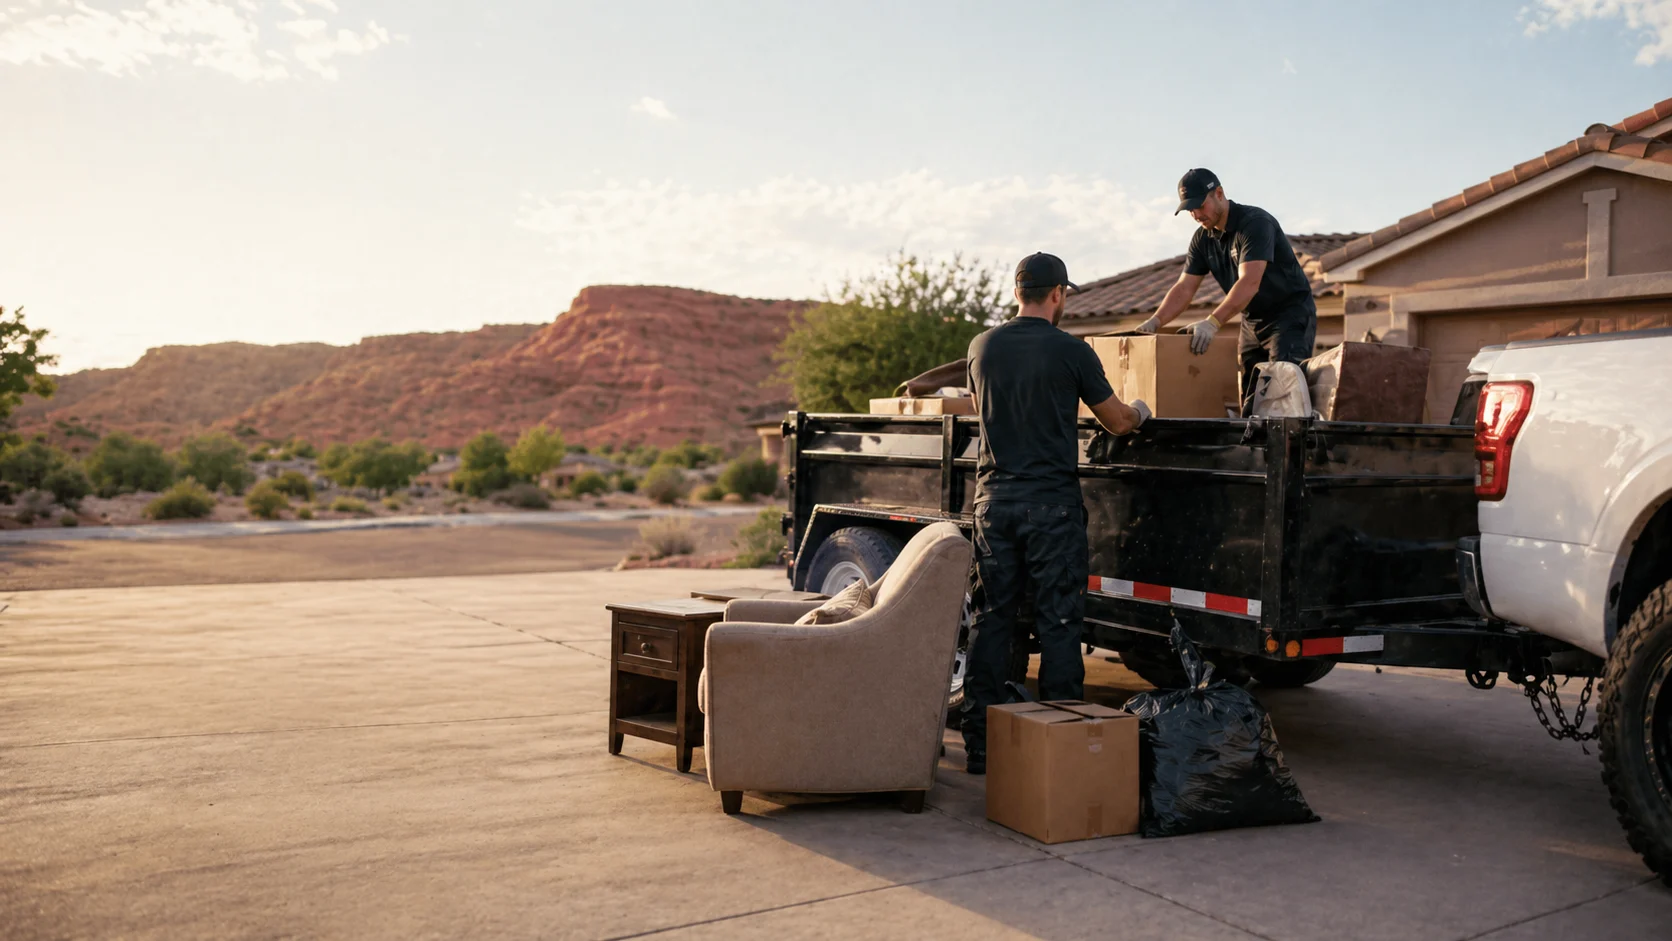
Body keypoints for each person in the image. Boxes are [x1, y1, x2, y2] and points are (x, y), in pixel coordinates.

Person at [960, 252, 1150, 775]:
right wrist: (1141, 411)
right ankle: (1062, 748)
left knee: (993, 621)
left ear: (1018, 291)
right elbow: (1114, 421)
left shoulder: (983, 347)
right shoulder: (1073, 351)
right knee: (1060, 623)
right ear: (1059, 294)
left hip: (994, 506)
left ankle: (980, 745)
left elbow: (982, 408)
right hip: (1052, 509)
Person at [1136, 168, 1317, 414]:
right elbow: (1184, 287)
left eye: (1200, 206)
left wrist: (1212, 322)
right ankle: (1253, 451)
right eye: (1190, 210)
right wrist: (1155, 321)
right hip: (1252, 322)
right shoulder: (1202, 239)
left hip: (1288, 316)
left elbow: (1249, 282)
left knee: (1282, 397)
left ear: (1219, 193)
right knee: (1252, 405)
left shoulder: (1254, 224)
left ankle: (1298, 451)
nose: (1196, 214)